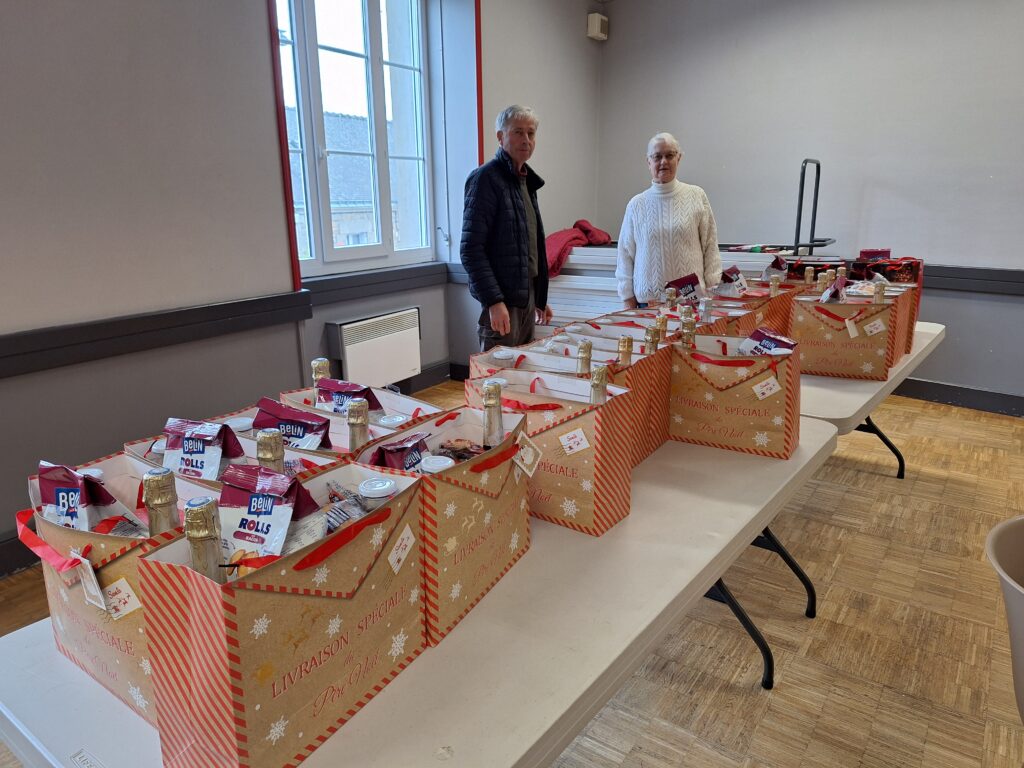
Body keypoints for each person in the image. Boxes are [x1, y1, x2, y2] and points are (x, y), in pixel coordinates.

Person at [461, 105, 553, 351]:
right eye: (518, 132)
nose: (526, 140)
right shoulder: (485, 179)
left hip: (526, 299)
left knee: (521, 374)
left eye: (531, 133)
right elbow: (471, 249)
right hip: (502, 303)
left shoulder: (526, 182)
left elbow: (530, 247)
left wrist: (539, 297)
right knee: (496, 379)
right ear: (500, 137)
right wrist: (494, 302)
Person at [615, 132, 721, 308]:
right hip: (647, 306)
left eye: (669, 155)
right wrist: (627, 301)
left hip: (691, 305)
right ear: (648, 162)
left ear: (678, 159)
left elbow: (710, 247)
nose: (663, 161)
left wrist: (712, 293)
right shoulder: (636, 205)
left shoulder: (697, 196)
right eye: (657, 157)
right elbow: (624, 256)